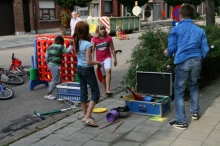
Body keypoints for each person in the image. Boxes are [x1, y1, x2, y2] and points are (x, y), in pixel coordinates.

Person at [163, 4, 210, 130]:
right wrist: (200, 58)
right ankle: (195, 112)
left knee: (179, 91)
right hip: (197, 61)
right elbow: (205, 48)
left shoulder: (176, 30)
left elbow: (172, 48)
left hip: (182, 62)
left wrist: (168, 52)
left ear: (180, 15)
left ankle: (181, 121)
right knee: (194, 85)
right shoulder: (200, 30)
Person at [73, 21, 102, 127]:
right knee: (95, 93)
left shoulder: (76, 42)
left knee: (83, 92)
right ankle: (87, 116)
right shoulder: (87, 44)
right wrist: (98, 62)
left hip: (79, 69)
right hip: (87, 70)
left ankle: (86, 116)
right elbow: (89, 62)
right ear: (85, 31)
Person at [91, 23, 117, 97]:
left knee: (108, 70)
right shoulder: (94, 39)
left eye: (104, 29)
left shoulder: (109, 38)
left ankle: (108, 89)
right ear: (98, 30)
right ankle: (105, 90)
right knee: (103, 75)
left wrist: (115, 59)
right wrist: (92, 60)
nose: (103, 31)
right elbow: (93, 50)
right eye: (101, 29)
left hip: (107, 57)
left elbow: (112, 49)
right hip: (99, 59)